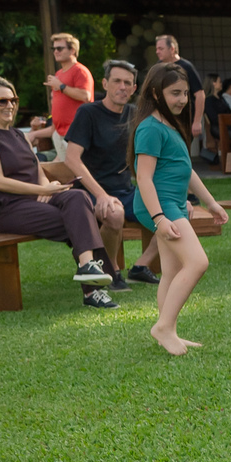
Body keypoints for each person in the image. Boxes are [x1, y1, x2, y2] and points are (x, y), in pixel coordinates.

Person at [0, 76, 119, 309]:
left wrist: (50, 188)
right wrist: (41, 189)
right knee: (81, 219)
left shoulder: (19, 135)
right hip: (9, 208)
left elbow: (36, 168)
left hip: (36, 202)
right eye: (1, 101)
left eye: (12, 100)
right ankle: (93, 289)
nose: (9, 105)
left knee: (78, 197)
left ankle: (87, 265)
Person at [129, 62, 228, 355]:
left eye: (185, 93)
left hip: (172, 203)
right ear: (156, 93)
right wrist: (159, 217)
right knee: (197, 262)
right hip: (160, 206)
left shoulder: (170, 124)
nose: (182, 100)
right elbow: (143, 177)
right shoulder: (149, 127)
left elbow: (186, 171)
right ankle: (162, 326)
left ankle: (168, 330)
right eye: (175, 93)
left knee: (171, 272)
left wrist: (210, 202)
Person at [65, 58, 162, 291]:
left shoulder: (136, 115)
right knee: (114, 214)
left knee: (173, 210)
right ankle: (110, 270)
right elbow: (71, 158)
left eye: (128, 83)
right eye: (117, 81)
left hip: (125, 191)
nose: (123, 87)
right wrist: (101, 195)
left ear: (134, 88)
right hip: (89, 193)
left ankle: (140, 267)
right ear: (105, 83)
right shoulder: (88, 113)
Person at [45, 33, 94, 162]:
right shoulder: (59, 73)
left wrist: (61, 86)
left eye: (60, 48)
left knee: (81, 171)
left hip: (76, 134)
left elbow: (86, 96)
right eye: (53, 49)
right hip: (60, 133)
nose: (55, 51)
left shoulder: (80, 70)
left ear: (72, 50)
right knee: (68, 172)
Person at [154, 35, 204, 138]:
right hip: (163, 119)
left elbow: (200, 94)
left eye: (161, 48)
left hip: (183, 119)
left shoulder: (186, 67)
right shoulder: (158, 67)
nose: (157, 52)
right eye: (157, 49)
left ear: (172, 48)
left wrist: (197, 121)